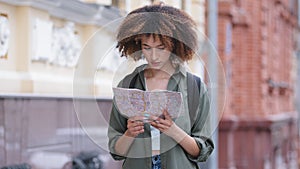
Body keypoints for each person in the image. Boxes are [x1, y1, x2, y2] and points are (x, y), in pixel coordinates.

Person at [108, 4, 214, 169]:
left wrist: (173, 131)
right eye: (147, 48)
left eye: (161, 48)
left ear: (174, 45)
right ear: (138, 46)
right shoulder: (128, 84)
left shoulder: (195, 87)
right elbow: (116, 151)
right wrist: (130, 133)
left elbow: (202, 151)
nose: (154, 56)